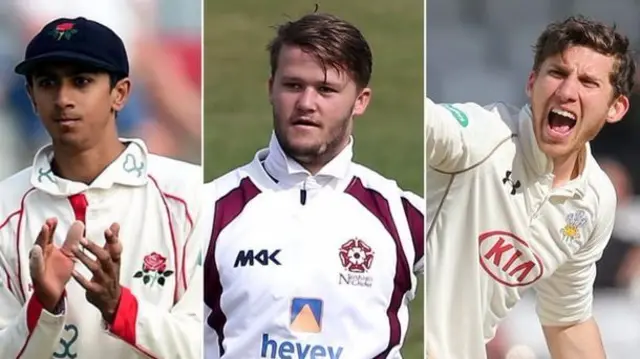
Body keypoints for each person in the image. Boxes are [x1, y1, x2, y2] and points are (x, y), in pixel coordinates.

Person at [202, 12, 424, 358]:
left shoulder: (405, 217)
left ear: (360, 101)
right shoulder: (207, 209)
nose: (306, 103)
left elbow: (479, 285)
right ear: (270, 89)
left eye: (326, 90)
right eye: (293, 85)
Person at [426, 16, 635, 359]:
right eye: (556, 74)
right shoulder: (483, 138)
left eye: (587, 82)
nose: (567, 92)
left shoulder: (595, 198)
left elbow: (567, 321)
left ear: (616, 107)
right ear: (531, 82)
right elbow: (432, 123)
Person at [0, 17, 203, 358]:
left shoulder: (190, 195)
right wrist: (43, 307)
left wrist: (120, 307)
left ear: (119, 93)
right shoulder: (6, 209)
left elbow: (210, 344)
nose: (63, 98)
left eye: (81, 82)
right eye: (48, 82)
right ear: (32, 97)